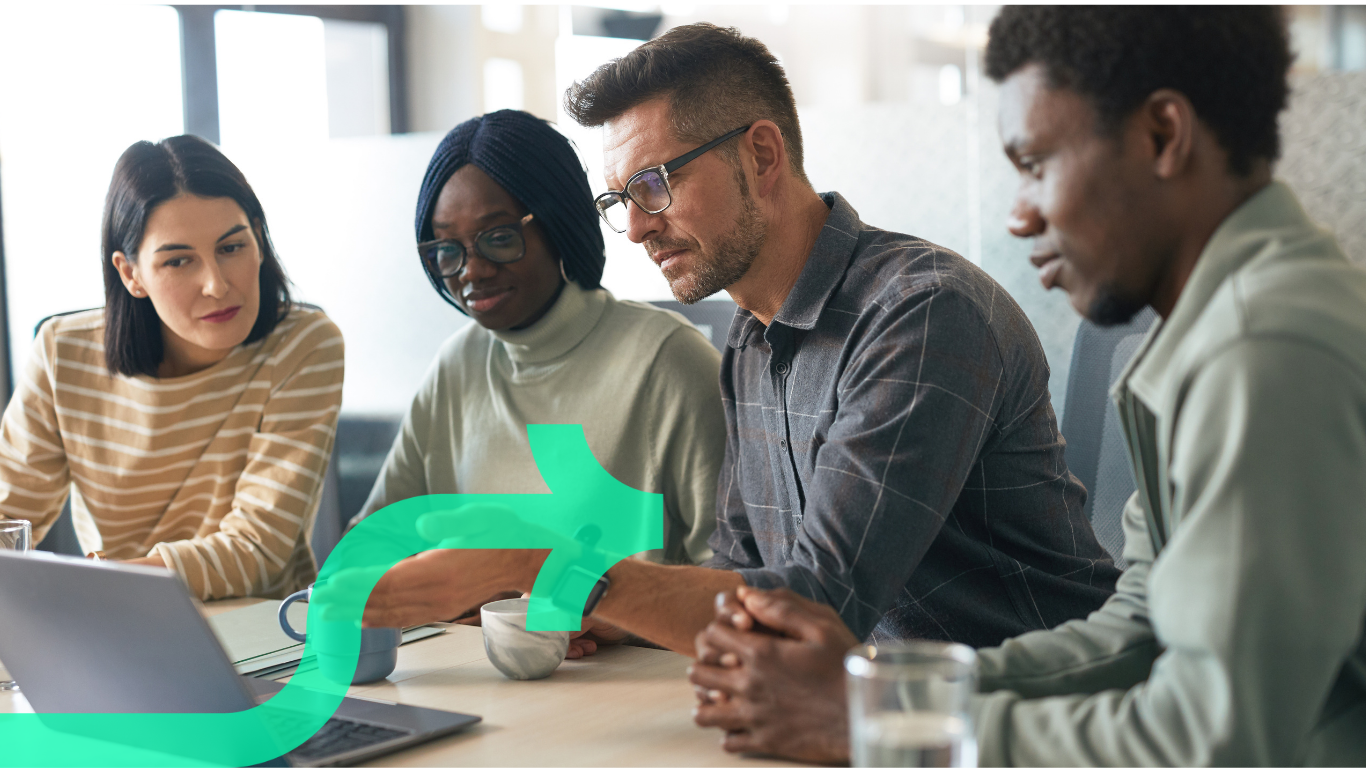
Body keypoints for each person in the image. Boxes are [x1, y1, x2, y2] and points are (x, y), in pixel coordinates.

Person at [689, 6, 1366, 766]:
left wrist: (883, 729)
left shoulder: (1265, 351)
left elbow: (1217, 740)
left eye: (1036, 164)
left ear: (1163, 136)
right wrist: (890, 698)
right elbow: (1138, 631)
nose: (1018, 216)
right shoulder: (1212, 336)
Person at [353, 26, 1118, 656]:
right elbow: (740, 584)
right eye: (623, 200)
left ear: (761, 154)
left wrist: (541, 568)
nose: (639, 227)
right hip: (852, 714)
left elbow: (818, 606)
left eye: (654, 185)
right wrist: (603, 615)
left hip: (1023, 722)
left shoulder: (921, 314)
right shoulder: (752, 340)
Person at [347, 110, 726, 654]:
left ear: (558, 221)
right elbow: (375, 545)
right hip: (488, 696)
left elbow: (739, 585)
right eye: (447, 250)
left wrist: (612, 616)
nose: (471, 271)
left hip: (637, 695)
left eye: (498, 238)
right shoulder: (458, 365)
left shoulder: (670, 361)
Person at [0, 135, 344, 600]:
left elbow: (259, 549)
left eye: (231, 248)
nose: (217, 286)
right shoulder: (63, 353)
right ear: (130, 274)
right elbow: (9, 518)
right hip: (118, 628)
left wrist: (105, 582)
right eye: (179, 260)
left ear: (259, 241)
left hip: (265, 632)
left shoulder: (303, 345)